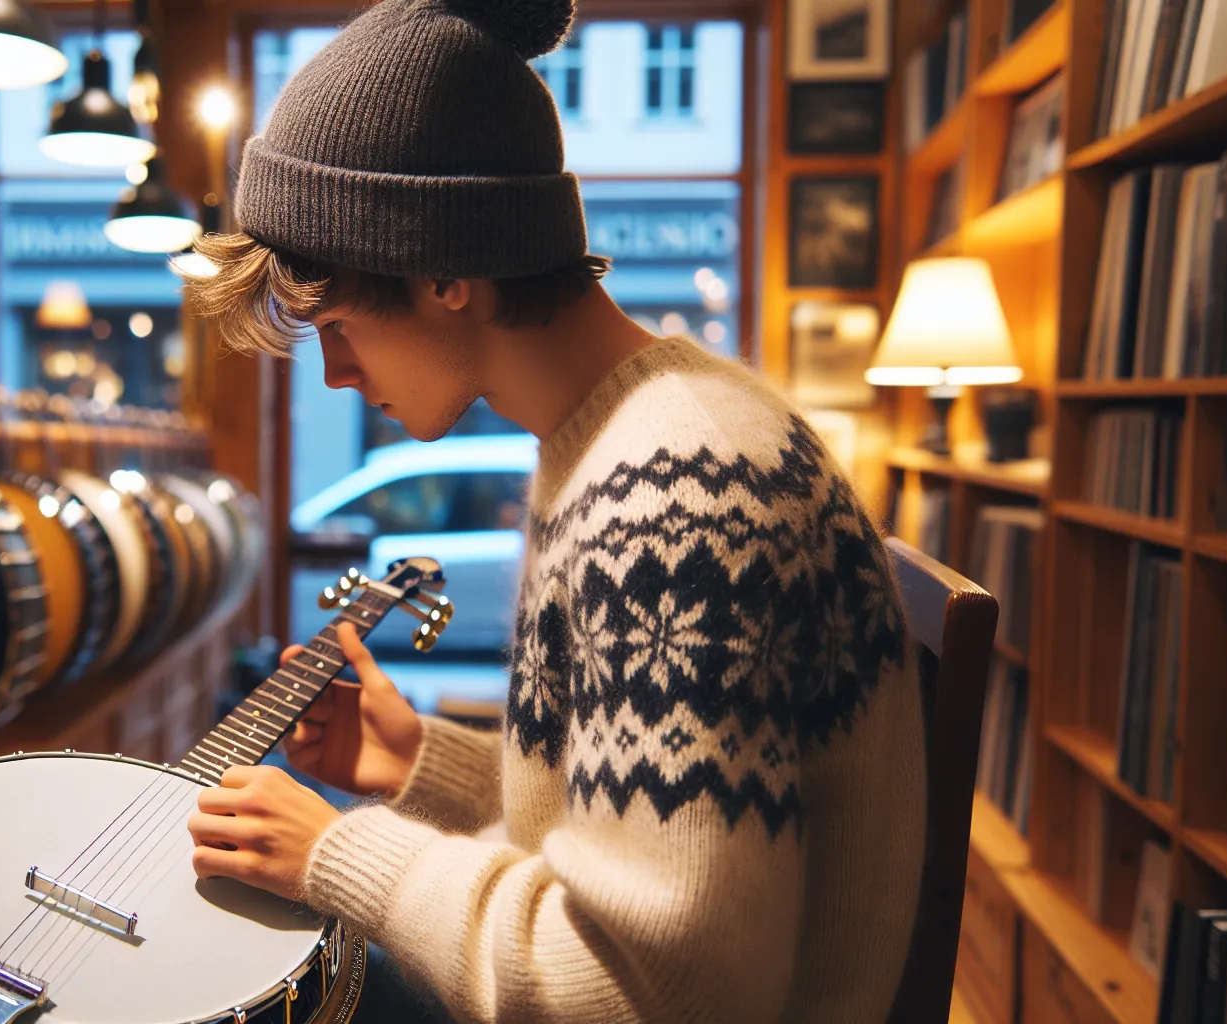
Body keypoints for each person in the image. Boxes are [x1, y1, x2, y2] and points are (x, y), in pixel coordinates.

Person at [178, 0, 930, 1021]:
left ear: (449, 273)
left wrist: (338, 851)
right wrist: (421, 766)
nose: (338, 376)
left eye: (342, 324)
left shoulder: (678, 490)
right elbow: (652, 829)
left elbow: (654, 984)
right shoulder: (634, 435)